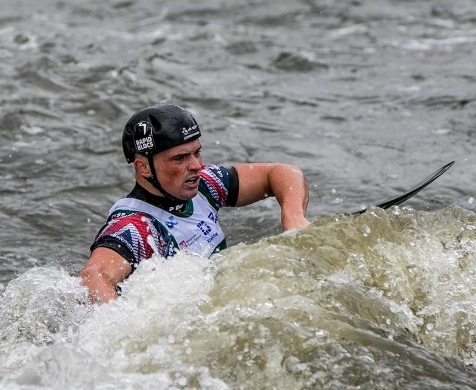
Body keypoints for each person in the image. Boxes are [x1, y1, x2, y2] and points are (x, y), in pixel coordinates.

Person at [78, 103, 310, 303]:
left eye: (197, 153)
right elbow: (92, 276)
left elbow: (283, 173)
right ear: (143, 167)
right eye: (180, 158)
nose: (197, 166)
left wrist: (293, 216)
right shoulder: (136, 227)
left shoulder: (206, 185)